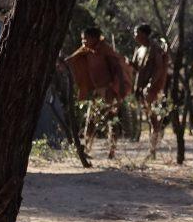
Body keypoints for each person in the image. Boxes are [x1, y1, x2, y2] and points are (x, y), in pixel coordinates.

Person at [65, 26, 131, 158]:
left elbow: (117, 67)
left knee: (111, 121)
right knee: (91, 120)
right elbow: (70, 60)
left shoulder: (105, 50)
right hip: (96, 92)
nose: (83, 41)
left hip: (108, 91)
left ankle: (112, 151)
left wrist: (118, 89)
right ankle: (87, 148)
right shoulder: (87, 50)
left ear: (94, 38)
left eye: (85, 39)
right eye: (82, 39)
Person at [131, 24, 169, 159]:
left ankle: (153, 150)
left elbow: (159, 69)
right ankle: (152, 148)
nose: (134, 35)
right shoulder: (139, 50)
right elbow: (136, 68)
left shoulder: (155, 49)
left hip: (152, 89)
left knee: (152, 119)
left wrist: (151, 85)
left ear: (144, 34)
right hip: (141, 88)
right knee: (150, 118)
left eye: (137, 32)